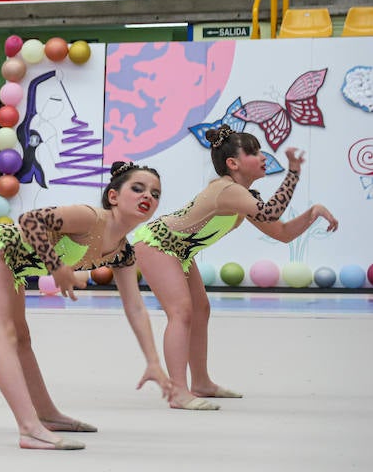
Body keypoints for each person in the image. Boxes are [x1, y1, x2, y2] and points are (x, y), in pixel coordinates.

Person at [0, 162, 172, 450]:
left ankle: (46, 415)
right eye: (138, 188)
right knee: (3, 336)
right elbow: (29, 220)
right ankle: (28, 428)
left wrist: (153, 362)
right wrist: (56, 266)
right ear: (113, 196)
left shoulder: (123, 252)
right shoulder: (90, 218)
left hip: (16, 264)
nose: (148, 196)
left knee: (22, 339)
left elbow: (135, 307)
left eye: (155, 194)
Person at [132, 126, 338, 408]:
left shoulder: (243, 195)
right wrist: (292, 173)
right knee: (181, 312)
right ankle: (178, 391)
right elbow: (270, 213)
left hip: (180, 250)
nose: (263, 156)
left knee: (200, 309)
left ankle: (201, 383)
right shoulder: (226, 189)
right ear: (233, 163)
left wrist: (312, 213)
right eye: (254, 151)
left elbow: (282, 233)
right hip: (157, 243)